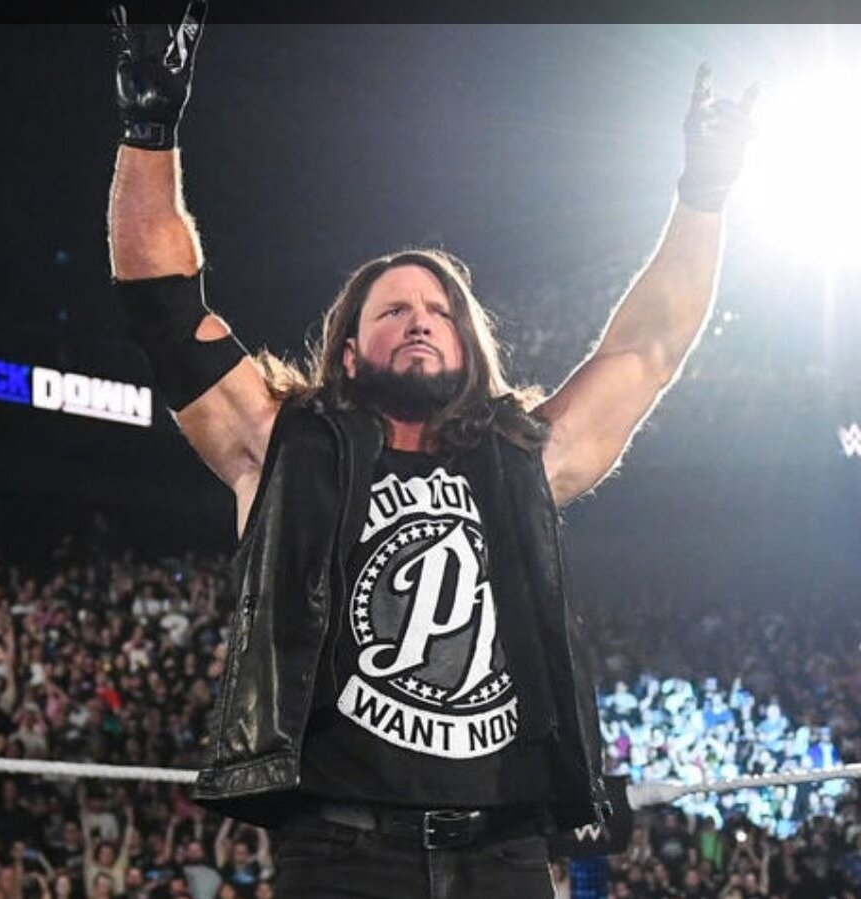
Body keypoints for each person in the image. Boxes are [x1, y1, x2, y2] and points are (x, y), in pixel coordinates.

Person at [105, 6, 755, 897]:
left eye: (440, 310)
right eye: (395, 309)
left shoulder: (522, 460)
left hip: (503, 852)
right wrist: (149, 122)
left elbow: (649, 347)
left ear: (468, 344)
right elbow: (163, 305)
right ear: (348, 350)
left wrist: (705, 194)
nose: (420, 320)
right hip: (343, 850)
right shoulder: (284, 443)